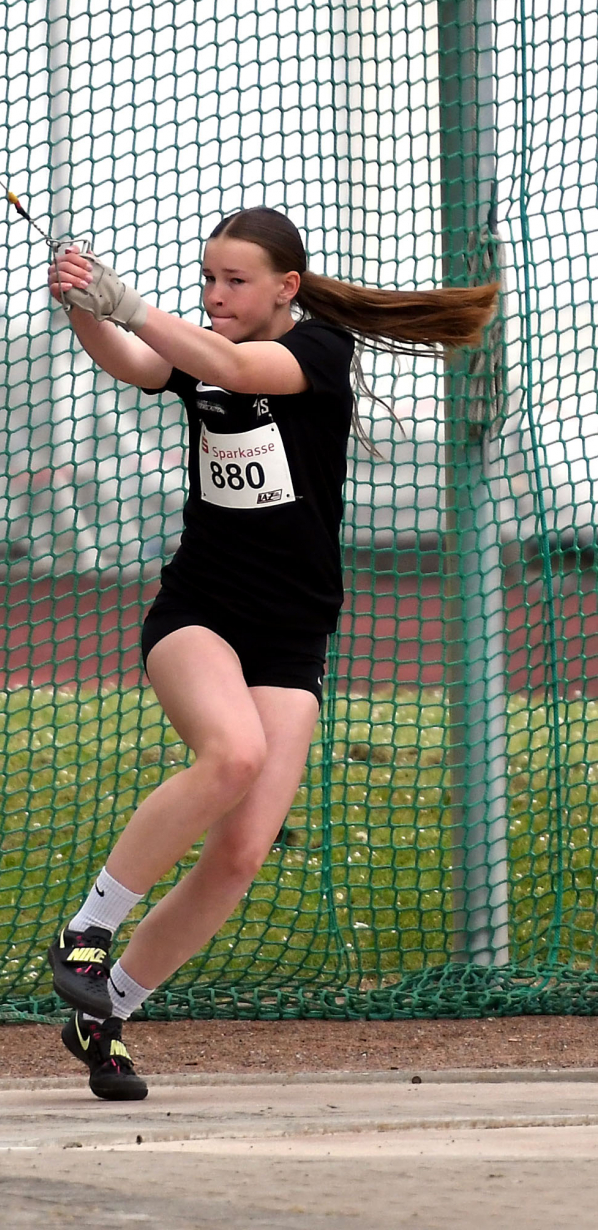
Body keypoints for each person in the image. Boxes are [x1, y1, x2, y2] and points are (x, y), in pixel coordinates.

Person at [46, 206, 498, 1100]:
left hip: (291, 636)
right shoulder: (201, 349)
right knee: (233, 755)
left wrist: (124, 300)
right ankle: (86, 934)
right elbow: (136, 362)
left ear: (286, 288)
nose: (215, 294)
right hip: (198, 616)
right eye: (207, 279)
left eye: (235, 280)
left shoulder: (317, 351)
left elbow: (235, 368)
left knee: (242, 853)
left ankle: (107, 1013)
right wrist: (83, 306)